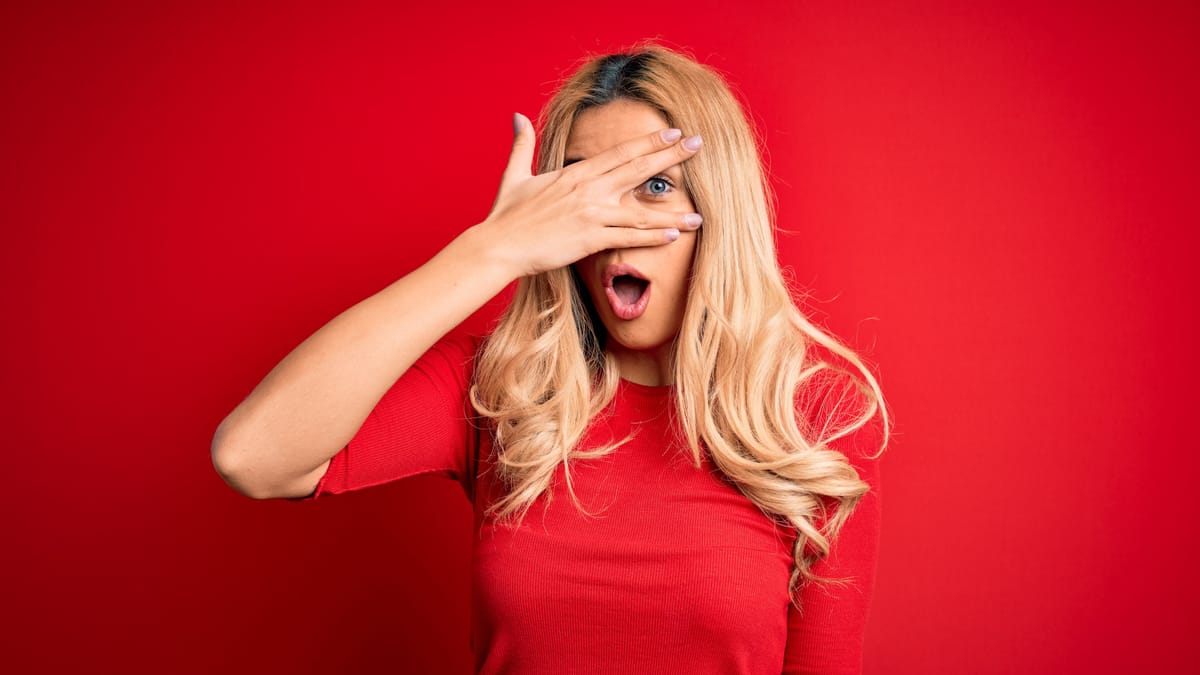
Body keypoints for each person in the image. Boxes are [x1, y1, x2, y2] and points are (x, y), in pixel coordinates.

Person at [212, 40, 891, 675]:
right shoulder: (498, 391)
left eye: (654, 185)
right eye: (581, 191)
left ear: (719, 209)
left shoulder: (816, 414)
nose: (609, 223)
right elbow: (254, 455)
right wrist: (494, 249)